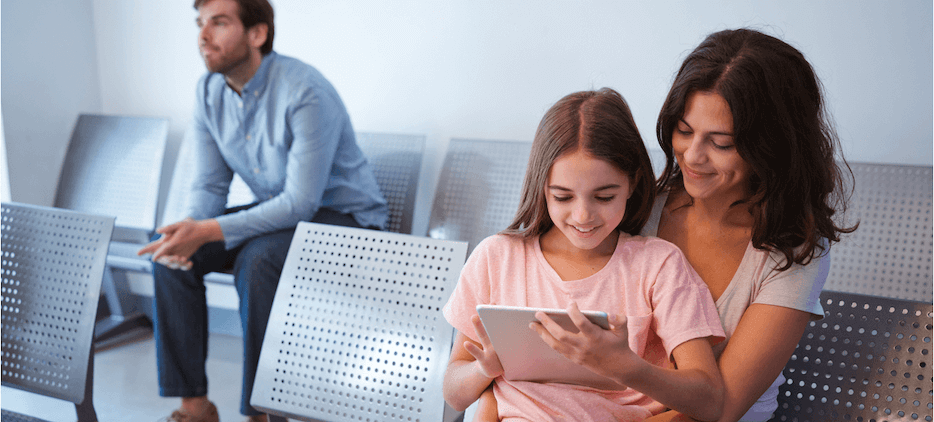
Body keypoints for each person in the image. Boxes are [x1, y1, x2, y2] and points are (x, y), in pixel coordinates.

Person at [137, 0, 388, 421]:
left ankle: (263, 413)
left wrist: (208, 229)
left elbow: (301, 203)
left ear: (257, 34)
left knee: (259, 260)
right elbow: (210, 184)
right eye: (200, 24)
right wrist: (191, 230)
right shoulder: (208, 91)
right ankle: (195, 406)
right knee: (168, 252)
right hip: (282, 214)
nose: (203, 36)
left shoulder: (305, 90)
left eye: (219, 23)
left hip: (346, 220)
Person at [442, 88, 728, 422]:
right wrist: (484, 369)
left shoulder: (659, 265)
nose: (582, 217)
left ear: (633, 183)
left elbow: (709, 401)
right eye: (562, 197)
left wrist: (627, 367)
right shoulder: (497, 258)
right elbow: (454, 394)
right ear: (541, 188)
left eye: (604, 197)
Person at [641, 28, 855, 422]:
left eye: (721, 143)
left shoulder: (792, 251)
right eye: (684, 131)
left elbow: (717, 409)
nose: (692, 155)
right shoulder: (638, 211)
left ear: (770, 147)